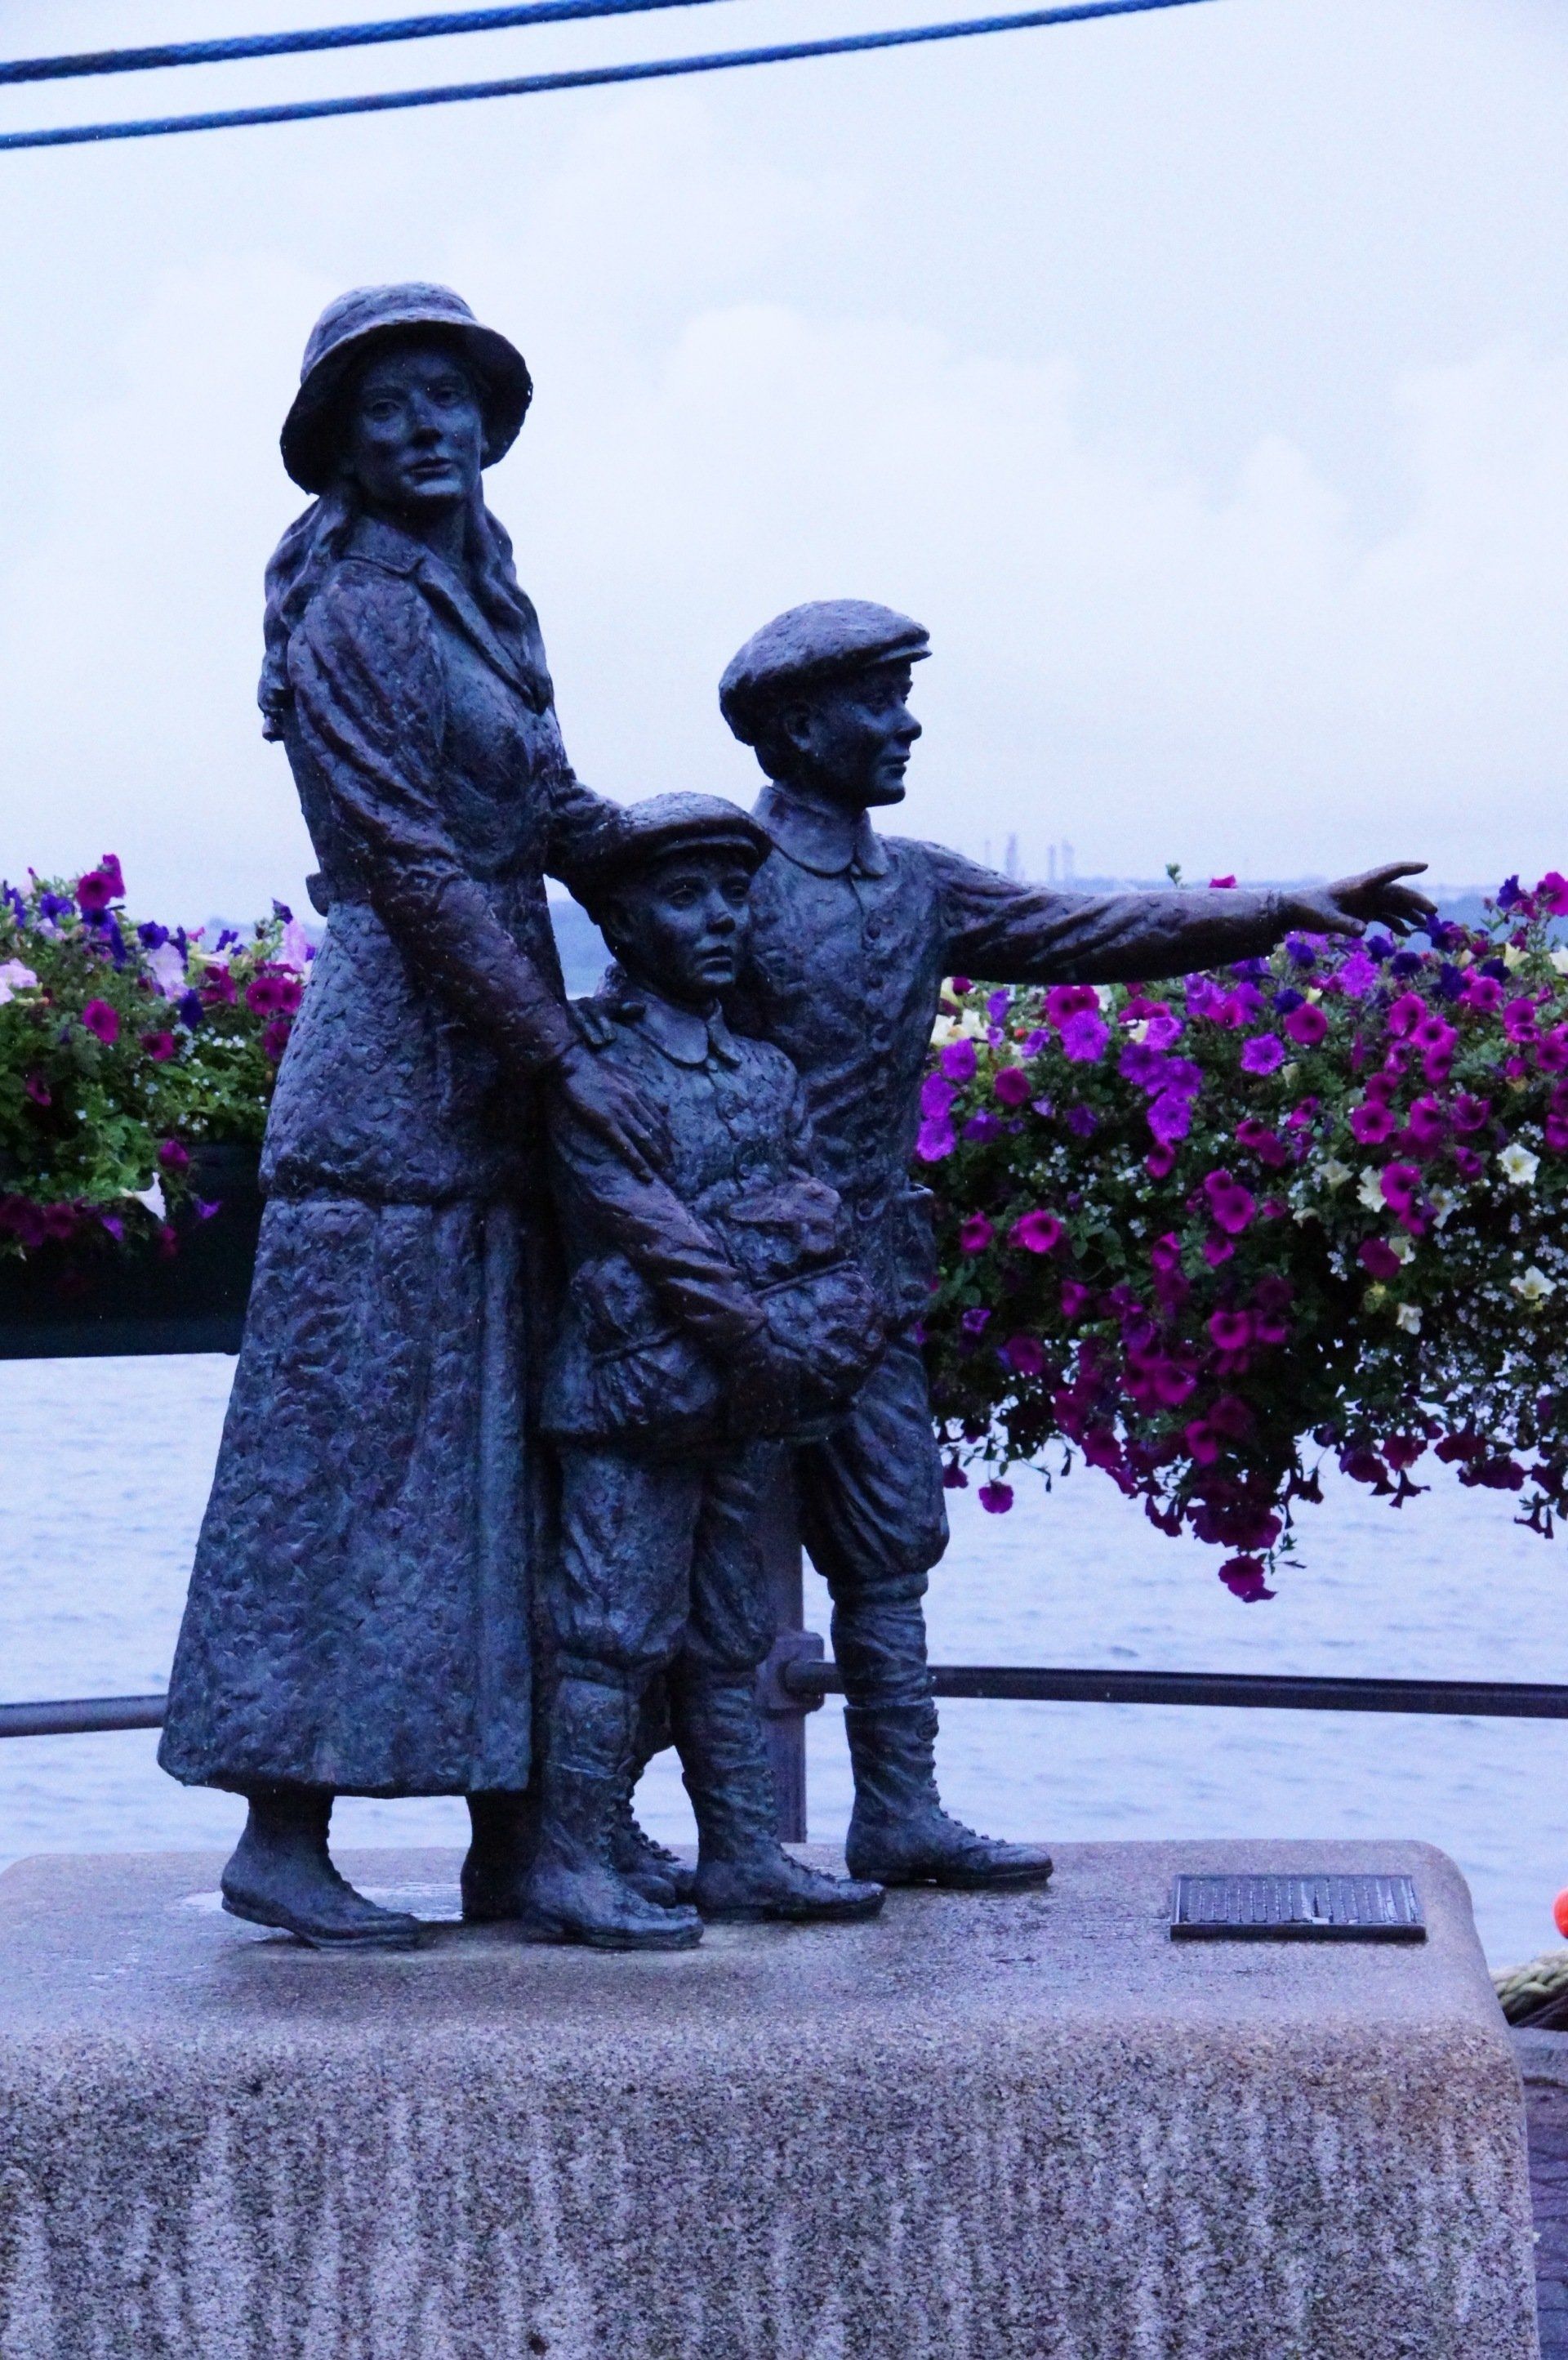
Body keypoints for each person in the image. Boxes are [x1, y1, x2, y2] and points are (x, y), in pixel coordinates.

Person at [716, 598, 1436, 1891]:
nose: (906, 720)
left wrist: (1282, 906)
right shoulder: (724, 877)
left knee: (892, 1544)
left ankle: (900, 1810)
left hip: (870, 1273)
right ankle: (718, 1840)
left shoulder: (917, 881)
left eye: (903, 692)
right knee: (704, 1556)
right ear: (795, 725)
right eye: (877, 699)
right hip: (737, 1278)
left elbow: (1086, 930)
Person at [158, 284, 654, 1949]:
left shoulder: (484, 605)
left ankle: (522, 1834)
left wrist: (727, 872)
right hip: (396, 1066)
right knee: (347, 1453)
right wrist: (564, 1054)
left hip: (487, 1059)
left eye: (451, 395)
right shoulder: (360, 611)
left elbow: (558, 813)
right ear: (340, 447)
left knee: (498, 1449)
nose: (428, 424)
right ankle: (279, 1830)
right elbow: (418, 871)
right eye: (390, 404)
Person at [528, 794, 888, 1947]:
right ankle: (571, 1858)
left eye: (733, 894)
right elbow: (642, 1222)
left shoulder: (765, 1069)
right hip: (636, 1392)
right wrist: (757, 1326)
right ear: (623, 925)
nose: (720, 918)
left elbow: (807, 1205)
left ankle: (740, 1849)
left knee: (731, 1628)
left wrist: (785, 1333)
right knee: (612, 1630)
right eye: (686, 898)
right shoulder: (589, 1061)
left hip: (743, 1396)